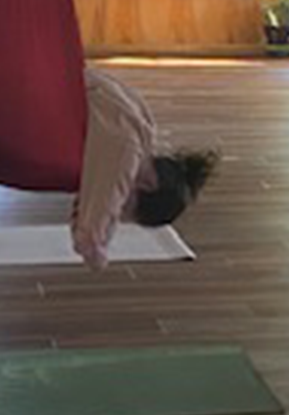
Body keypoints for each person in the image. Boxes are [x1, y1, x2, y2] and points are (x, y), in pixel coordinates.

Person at [73, 67, 216, 270]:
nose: (118, 205)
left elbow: (93, 198)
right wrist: (95, 250)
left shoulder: (141, 128)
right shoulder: (125, 151)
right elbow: (104, 203)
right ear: (148, 184)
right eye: (124, 204)